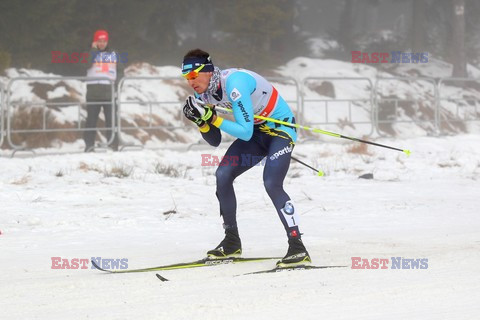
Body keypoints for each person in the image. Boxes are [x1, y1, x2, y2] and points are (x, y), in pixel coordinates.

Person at [181, 49, 311, 268]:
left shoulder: (235, 84)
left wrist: (213, 117)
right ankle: (232, 242)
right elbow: (214, 140)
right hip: (258, 133)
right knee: (223, 174)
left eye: (193, 76)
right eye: (186, 78)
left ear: (208, 71)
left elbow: (245, 132)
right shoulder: (203, 95)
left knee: (271, 182)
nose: (190, 82)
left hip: (280, 131)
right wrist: (201, 121)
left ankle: (298, 247)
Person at [83, 29, 120, 152]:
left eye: (104, 41)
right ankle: (89, 146)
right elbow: (86, 65)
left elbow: (120, 71)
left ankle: (113, 145)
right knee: (91, 121)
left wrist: (118, 88)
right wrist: (93, 50)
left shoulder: (113, 53)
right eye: (99, 41)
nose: (102, 43)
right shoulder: (89, 53)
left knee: (112, 121)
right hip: (93, 94)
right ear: (95, 41)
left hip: (109, 93)